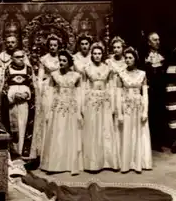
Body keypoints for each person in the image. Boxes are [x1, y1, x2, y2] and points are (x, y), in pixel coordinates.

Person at [40, 50, 84, 175]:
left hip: (71, 107)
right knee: (58, 133)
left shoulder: (76, 76)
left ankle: (69, 163)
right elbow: (49, 93)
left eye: (64, 61)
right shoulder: (54, 75)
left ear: (69, 62)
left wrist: (79, 111)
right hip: (58, 107)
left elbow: (79, 94)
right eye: (60, 60)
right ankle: (55, 163)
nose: (61, 63)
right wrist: (48, 110)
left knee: (70, 133)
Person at [82, 42, 120, 172]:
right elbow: (84, 87)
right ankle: (93, 162)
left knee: (105, 129)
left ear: (102, 54)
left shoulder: (108, 68)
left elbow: (111, 86)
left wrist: (112, 102)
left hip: (105, 100)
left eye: (99, 53)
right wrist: (84, 103)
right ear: (91, 55)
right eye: (95, 53)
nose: (97, 56)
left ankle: (107, 161)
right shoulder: (86, 68)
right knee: (93, 128)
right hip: (91, 100)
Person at [116, 47, 153, 173]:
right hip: (126, 106)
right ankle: (126, 163)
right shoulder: (120, 74)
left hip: (138, 106)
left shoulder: (142, 74)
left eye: (130, 58)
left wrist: (145, 111)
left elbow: (145, 94)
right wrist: (119, 113)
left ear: (135, 59)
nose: (127, 60)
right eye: (126, 58)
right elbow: (118, 94)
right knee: (126, 133)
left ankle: (139, 162)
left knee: (139, 133)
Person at [0, 50, 36, 158]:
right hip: (12, 104)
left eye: (22, 56)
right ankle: (14, 153)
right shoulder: (7, 70)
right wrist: (13, 95)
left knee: (24, 125)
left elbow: (33, 86)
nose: (21, 59)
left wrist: (26, 94)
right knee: (14, 126)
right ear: (12, 58)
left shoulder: (29, 69)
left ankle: (24, 153)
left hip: (25, 103)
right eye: (17, 57)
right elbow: (3, 88)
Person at [31, 35, 62, 160]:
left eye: (55, 45)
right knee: (47, 116)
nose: (53, 47)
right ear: (48, 46)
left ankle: (59, 149)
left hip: (60, 87)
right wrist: (40, 90)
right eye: (51, 45)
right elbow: (40, 76)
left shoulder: (62, 58)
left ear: (58, 46)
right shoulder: (43, 59)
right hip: (48, 87)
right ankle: (46, 149)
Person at [141, 32, 168, 151]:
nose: (158, 42)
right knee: (150, 114)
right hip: (149, 89)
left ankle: (160, 141)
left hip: (161, 90)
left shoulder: (163, 55)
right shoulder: (143, 56)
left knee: (160, 114)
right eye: (155, 40)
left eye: (158, 40)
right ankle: (150, 141)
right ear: (148, 42)